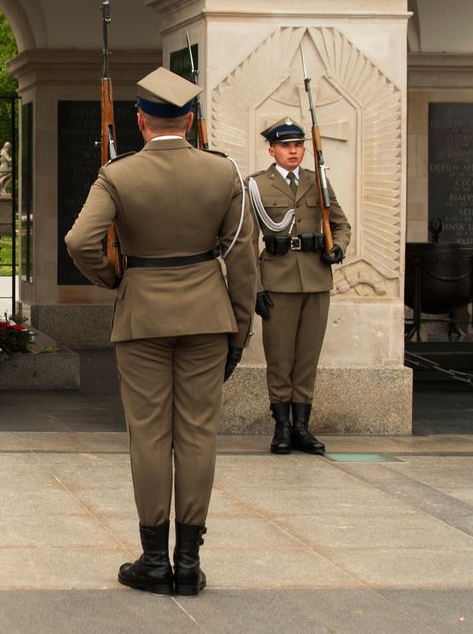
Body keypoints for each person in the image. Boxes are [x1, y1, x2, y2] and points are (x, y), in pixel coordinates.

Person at [65, 67, 257, 596]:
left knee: (149, 433)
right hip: (207, 317)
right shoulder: (224, 174)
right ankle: (189, 561)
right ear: (191, 120)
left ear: (141, 121)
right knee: (197, 434)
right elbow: (243, 259)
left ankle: (153, 560)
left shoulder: (118, 175)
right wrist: (239, 331)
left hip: (143, 314)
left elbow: (80, 241)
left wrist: (117, 278)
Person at [248, 117, 350, 456]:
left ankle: (302, 427)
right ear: (272, 150)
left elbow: (340, 224)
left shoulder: (317, 182)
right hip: (277, 279)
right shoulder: (257, 185)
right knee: (279, 358)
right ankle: (281, 427)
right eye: (286, 146)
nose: (293, 151)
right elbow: (246, 241)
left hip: (316, 278)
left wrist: (339, 247)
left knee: (308, 356)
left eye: (298, 145)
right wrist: (256, 288)